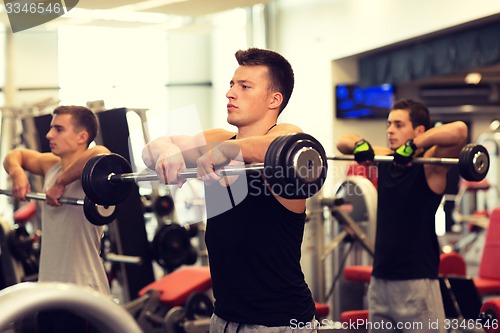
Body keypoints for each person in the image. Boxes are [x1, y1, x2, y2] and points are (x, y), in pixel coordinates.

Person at [142, 48, 318, 332]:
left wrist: (229, 150)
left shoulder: (286, 138)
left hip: (279, 321)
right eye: (232, 85)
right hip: (223, 318)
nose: (231, 93)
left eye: (245, 86)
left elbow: (284, 146)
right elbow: (151, 148)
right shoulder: (219, 138)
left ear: (275, 99)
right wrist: (168, 152)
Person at [336, 99, 468, 333]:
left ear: (419, 130)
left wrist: (414, 145)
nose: (389, 130)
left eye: (398, 124)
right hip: (380, 282)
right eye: (389, 124)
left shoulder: (431, 164)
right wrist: (360, 144)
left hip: (417, 284)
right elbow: (342, 142)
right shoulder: (386, 157)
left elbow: (459, 131)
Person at [3, 105, 111, 333]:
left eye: (58, 129)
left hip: (83, 295)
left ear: (82, 136)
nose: (49, 134)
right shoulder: (51, 165)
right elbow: (15, 155)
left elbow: (100, 152)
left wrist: (60, 183)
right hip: (49, 294)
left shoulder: (93, 174)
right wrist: (17, 173)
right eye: (51, 128)